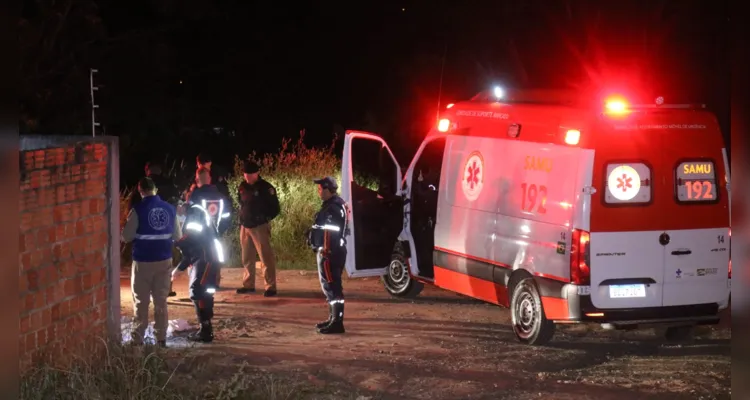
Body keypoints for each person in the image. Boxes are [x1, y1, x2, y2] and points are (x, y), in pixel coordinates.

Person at [121, 177, 183, 347]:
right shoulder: (170, 209)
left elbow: (126, 237)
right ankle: (161, 339)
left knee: (141, 302)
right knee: (161, 300)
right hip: (164, 260)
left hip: (143, 261)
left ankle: (138, 339)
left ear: (141, 191)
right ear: (156, 190)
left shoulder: (138, 210)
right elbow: (177, 236)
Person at [172, 203, 223, 343]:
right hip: (205, 258)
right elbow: (190, 251)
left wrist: (176, 241)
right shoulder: (193, 214)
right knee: (204, 292)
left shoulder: (194, 214)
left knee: (198, 291)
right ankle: (206, 326)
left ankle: (206, 330)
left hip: (205, 259)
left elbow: (192, 240)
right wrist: (179, 269)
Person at [307, 176, 349, 334]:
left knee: (332, 286)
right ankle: (333, 319)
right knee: (330, 286)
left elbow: (330, 232)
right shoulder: (334, 204)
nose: (318, 192)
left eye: (320, 188)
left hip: (330, 253)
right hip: (331, 251)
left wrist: (325, 250)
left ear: (328, 189)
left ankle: (337, 322)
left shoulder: (333, 208)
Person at [236, 161, 280, 297]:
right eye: (245, 174)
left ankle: (270, 287)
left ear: (257, 173)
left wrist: (264, 218)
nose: (247, 176)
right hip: (245, 226)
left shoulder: (266, 188)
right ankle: (248, 285)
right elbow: (241, 202)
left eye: (250, 174)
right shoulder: (242, 186)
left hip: (259, 227)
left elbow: (275, 208)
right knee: (247, 257)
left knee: (265, 257)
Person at [185, 167, 232, 288]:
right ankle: (214, 284)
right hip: (216, 235)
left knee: (198, 261)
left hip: (199, 237)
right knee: (215, 258)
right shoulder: (220, 196)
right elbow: (227, 216)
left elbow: (190, 216)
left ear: (197, 180)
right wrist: (219, 230)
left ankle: (198, 284)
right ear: (210, 179)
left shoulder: (195, 196)